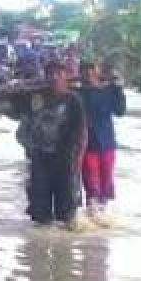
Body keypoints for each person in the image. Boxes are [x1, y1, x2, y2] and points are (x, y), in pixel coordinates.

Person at [24, 60, 87, 226]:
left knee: (67, 212)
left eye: (58, 74)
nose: (54, 77)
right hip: (40, 157)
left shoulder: (73, 101)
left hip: (65, 158)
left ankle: (65, 249)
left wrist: (78, 160)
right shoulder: (36, 98)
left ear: (66, 76)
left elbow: (82, 132)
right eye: (50, 74)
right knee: (39, 210)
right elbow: (20, 117)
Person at [79, 60, 126, 214]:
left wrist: (119, 89)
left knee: (106, 186)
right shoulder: (77, 93)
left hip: (107, 144)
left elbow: (120, 111)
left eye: (91, 68)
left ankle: (102, 218)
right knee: (92, 186)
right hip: (88, 145)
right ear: (80, 73)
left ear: (98, 71)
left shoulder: (110, 90)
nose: (88, 72)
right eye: (84, 69)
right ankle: (93, 215)